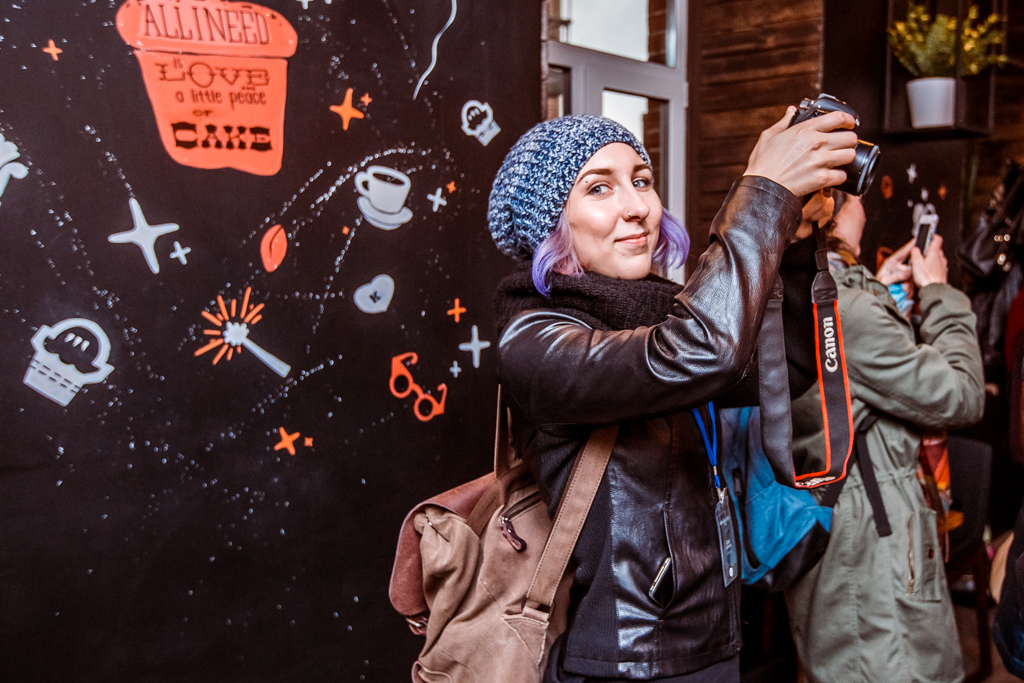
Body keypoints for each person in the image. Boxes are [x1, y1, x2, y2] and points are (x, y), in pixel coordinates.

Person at [487, 109, 857, 682]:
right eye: (599, 188)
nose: (636, 205)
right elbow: (700, 353)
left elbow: (784, 369)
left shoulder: (661, 312)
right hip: (629, 658)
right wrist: (764, 195)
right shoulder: (535, 340)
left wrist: (795, 241)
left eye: (641, 180)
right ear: (550, 224)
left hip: (709, 633)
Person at [784, 191, 986, 683]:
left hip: (837, 518)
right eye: (856, 196)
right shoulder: (847, 309)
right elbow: (962, 395)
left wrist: (874, 286)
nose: (865, 206)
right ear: (830, 211)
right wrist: (938, 292)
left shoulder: (792, 290)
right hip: (874, 538)